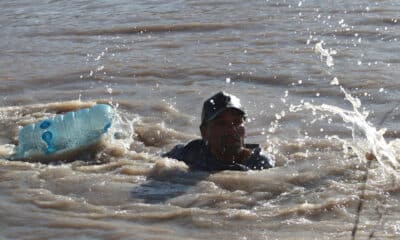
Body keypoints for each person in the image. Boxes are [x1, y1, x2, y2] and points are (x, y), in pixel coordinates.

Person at [163, 91, 275, 171]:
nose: (232, 130)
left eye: (237, 122)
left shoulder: (260, 163)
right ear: (204, 132)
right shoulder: (190, 153)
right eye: (221, 124)